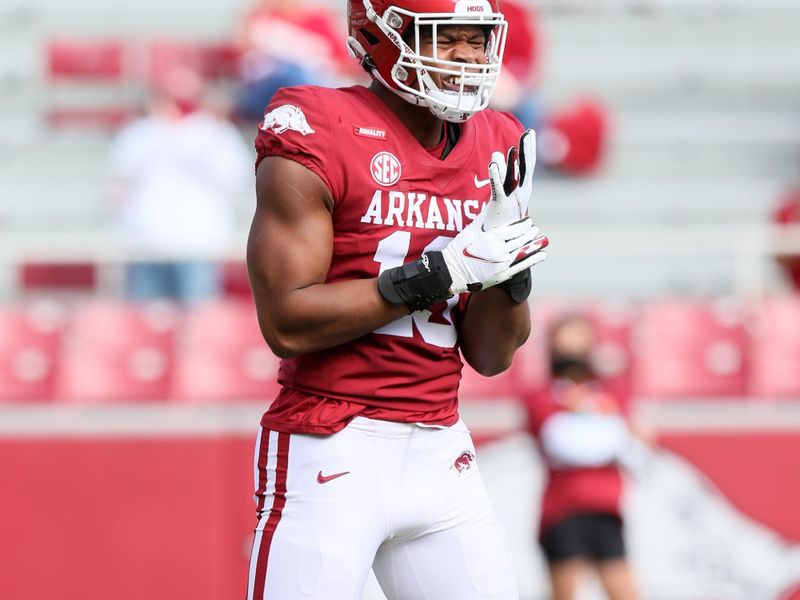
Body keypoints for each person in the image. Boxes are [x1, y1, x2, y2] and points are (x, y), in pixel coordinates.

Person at [244, 0, 550, 597]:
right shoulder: (318, 123)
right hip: (330, 442)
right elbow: (286, 321)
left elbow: (492, 355)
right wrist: (435, 277)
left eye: (477, 39)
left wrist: (509, 272)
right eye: (445, 39)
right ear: (381, 37)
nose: (467, 57)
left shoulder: (498, 139)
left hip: (441, 449)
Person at [526, 314, 644, 600]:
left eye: (577, 350)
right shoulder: (540, 396)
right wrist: (609, 435)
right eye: (564, 350)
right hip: (562, 512)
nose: (571, 359)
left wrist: (612, 436)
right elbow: (562, 444)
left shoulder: (611, 393)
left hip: (606, 511)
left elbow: (634, 449)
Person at [109, 69, 252, 304]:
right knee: (143, 321)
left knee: (198, 320)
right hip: (145, 244)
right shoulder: (139, 134)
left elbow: (234, 181)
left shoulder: (215, 134)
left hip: (197, 243)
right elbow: (119, 184)